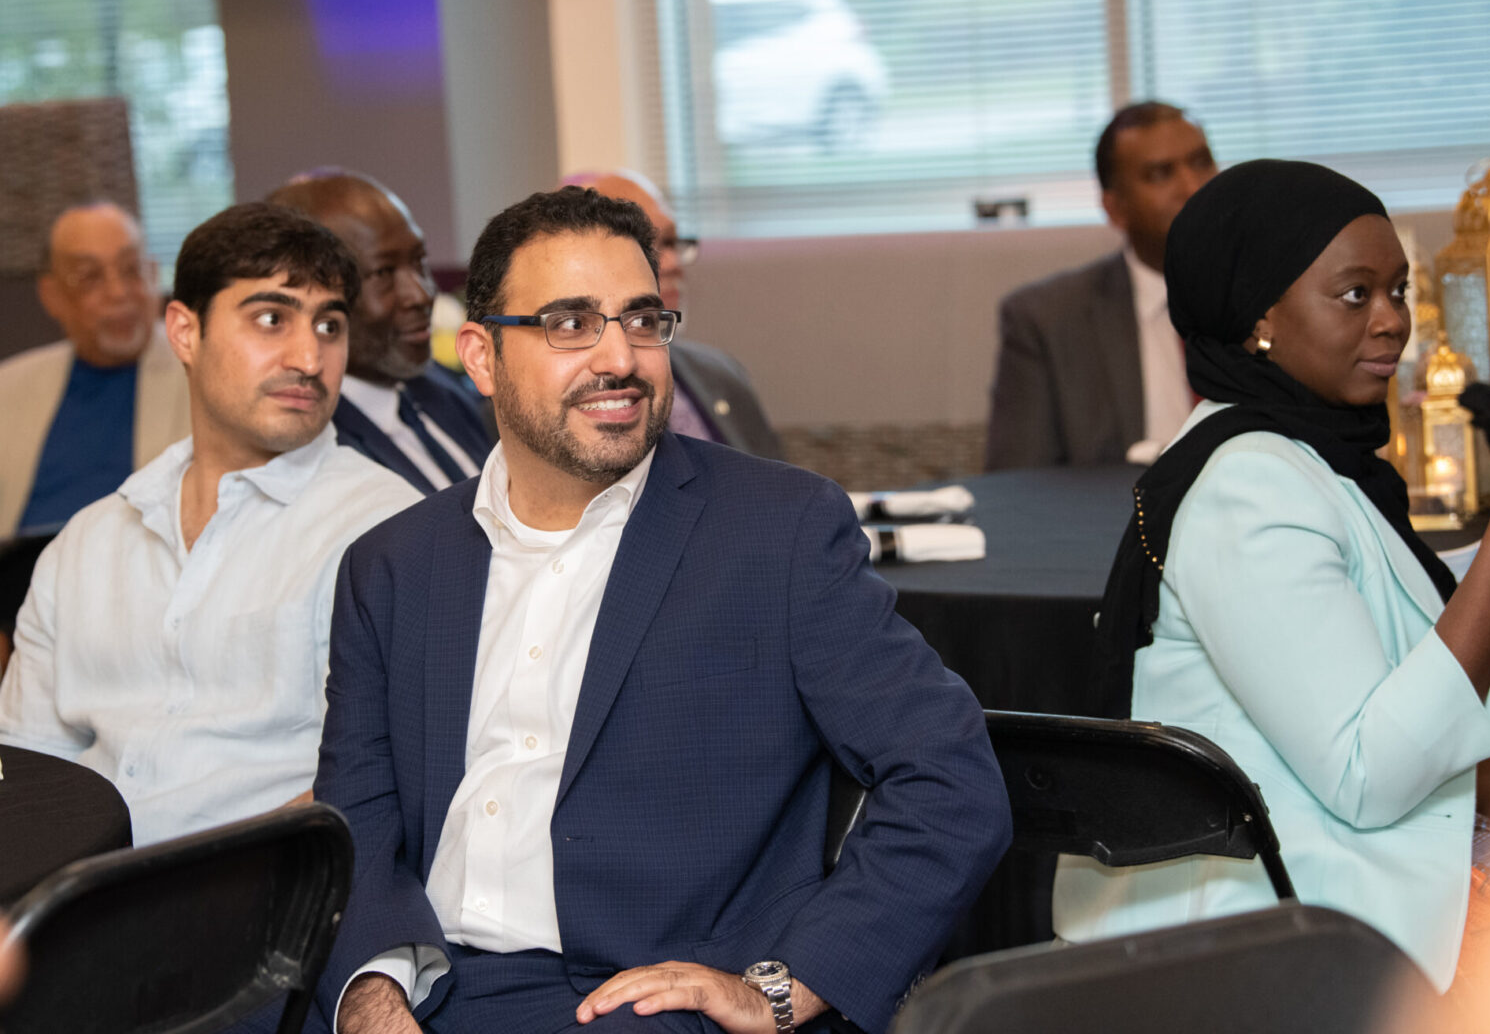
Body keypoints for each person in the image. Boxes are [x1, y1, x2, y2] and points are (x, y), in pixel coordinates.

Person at [316, 187, 1009, 1034]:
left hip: (641, 1002)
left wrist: (785, 986)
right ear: (482, 356)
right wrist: (369, 997)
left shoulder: (775, 532)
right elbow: (356, 826)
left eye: (643, 321)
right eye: (571, 323)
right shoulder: (392, 567)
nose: (621, 358)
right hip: (420, 988)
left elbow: (951, 779)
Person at [1054, 160, 1490, 994]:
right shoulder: (1248, 481)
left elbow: (1376, 594)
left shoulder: (1301, 457)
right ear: (1261, 316)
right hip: (1308, 927)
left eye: (1399, 291)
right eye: (1356, 294)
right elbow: (1370, 776)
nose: (1393, 323)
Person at [0, 203, 419, 846]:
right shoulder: (85, 544)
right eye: (272, 318)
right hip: (73, 906)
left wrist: (166, 886)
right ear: (185, 332)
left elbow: (384, 782)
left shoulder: (387, 531)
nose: (309, 357)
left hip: (272, 904)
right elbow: (28, 773)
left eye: (330, 326)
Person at [984, 102, 1217, 469]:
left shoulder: (1278, 298)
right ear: (1115, 208)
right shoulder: (1046, 321)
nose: (1192, 186)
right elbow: (1020, 487)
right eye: (1160, 174)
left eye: (1202, 162)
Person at [267, 171, 493, 493]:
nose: (421, 294)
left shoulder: (438, 388)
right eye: (384, 272)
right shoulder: (312, 450)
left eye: (420, 262)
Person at [563, 169, 784, 460]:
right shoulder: (540, 400)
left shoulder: (721, 373)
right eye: (650, 245)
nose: (673, 263)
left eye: (671, 242)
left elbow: (775, 490)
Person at [0, 203, 190, 539]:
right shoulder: (9, 385)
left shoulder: (200, 369)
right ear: (51, 295)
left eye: (131, 269)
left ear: (153, 274)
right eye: (90, 276)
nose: (118, 293)